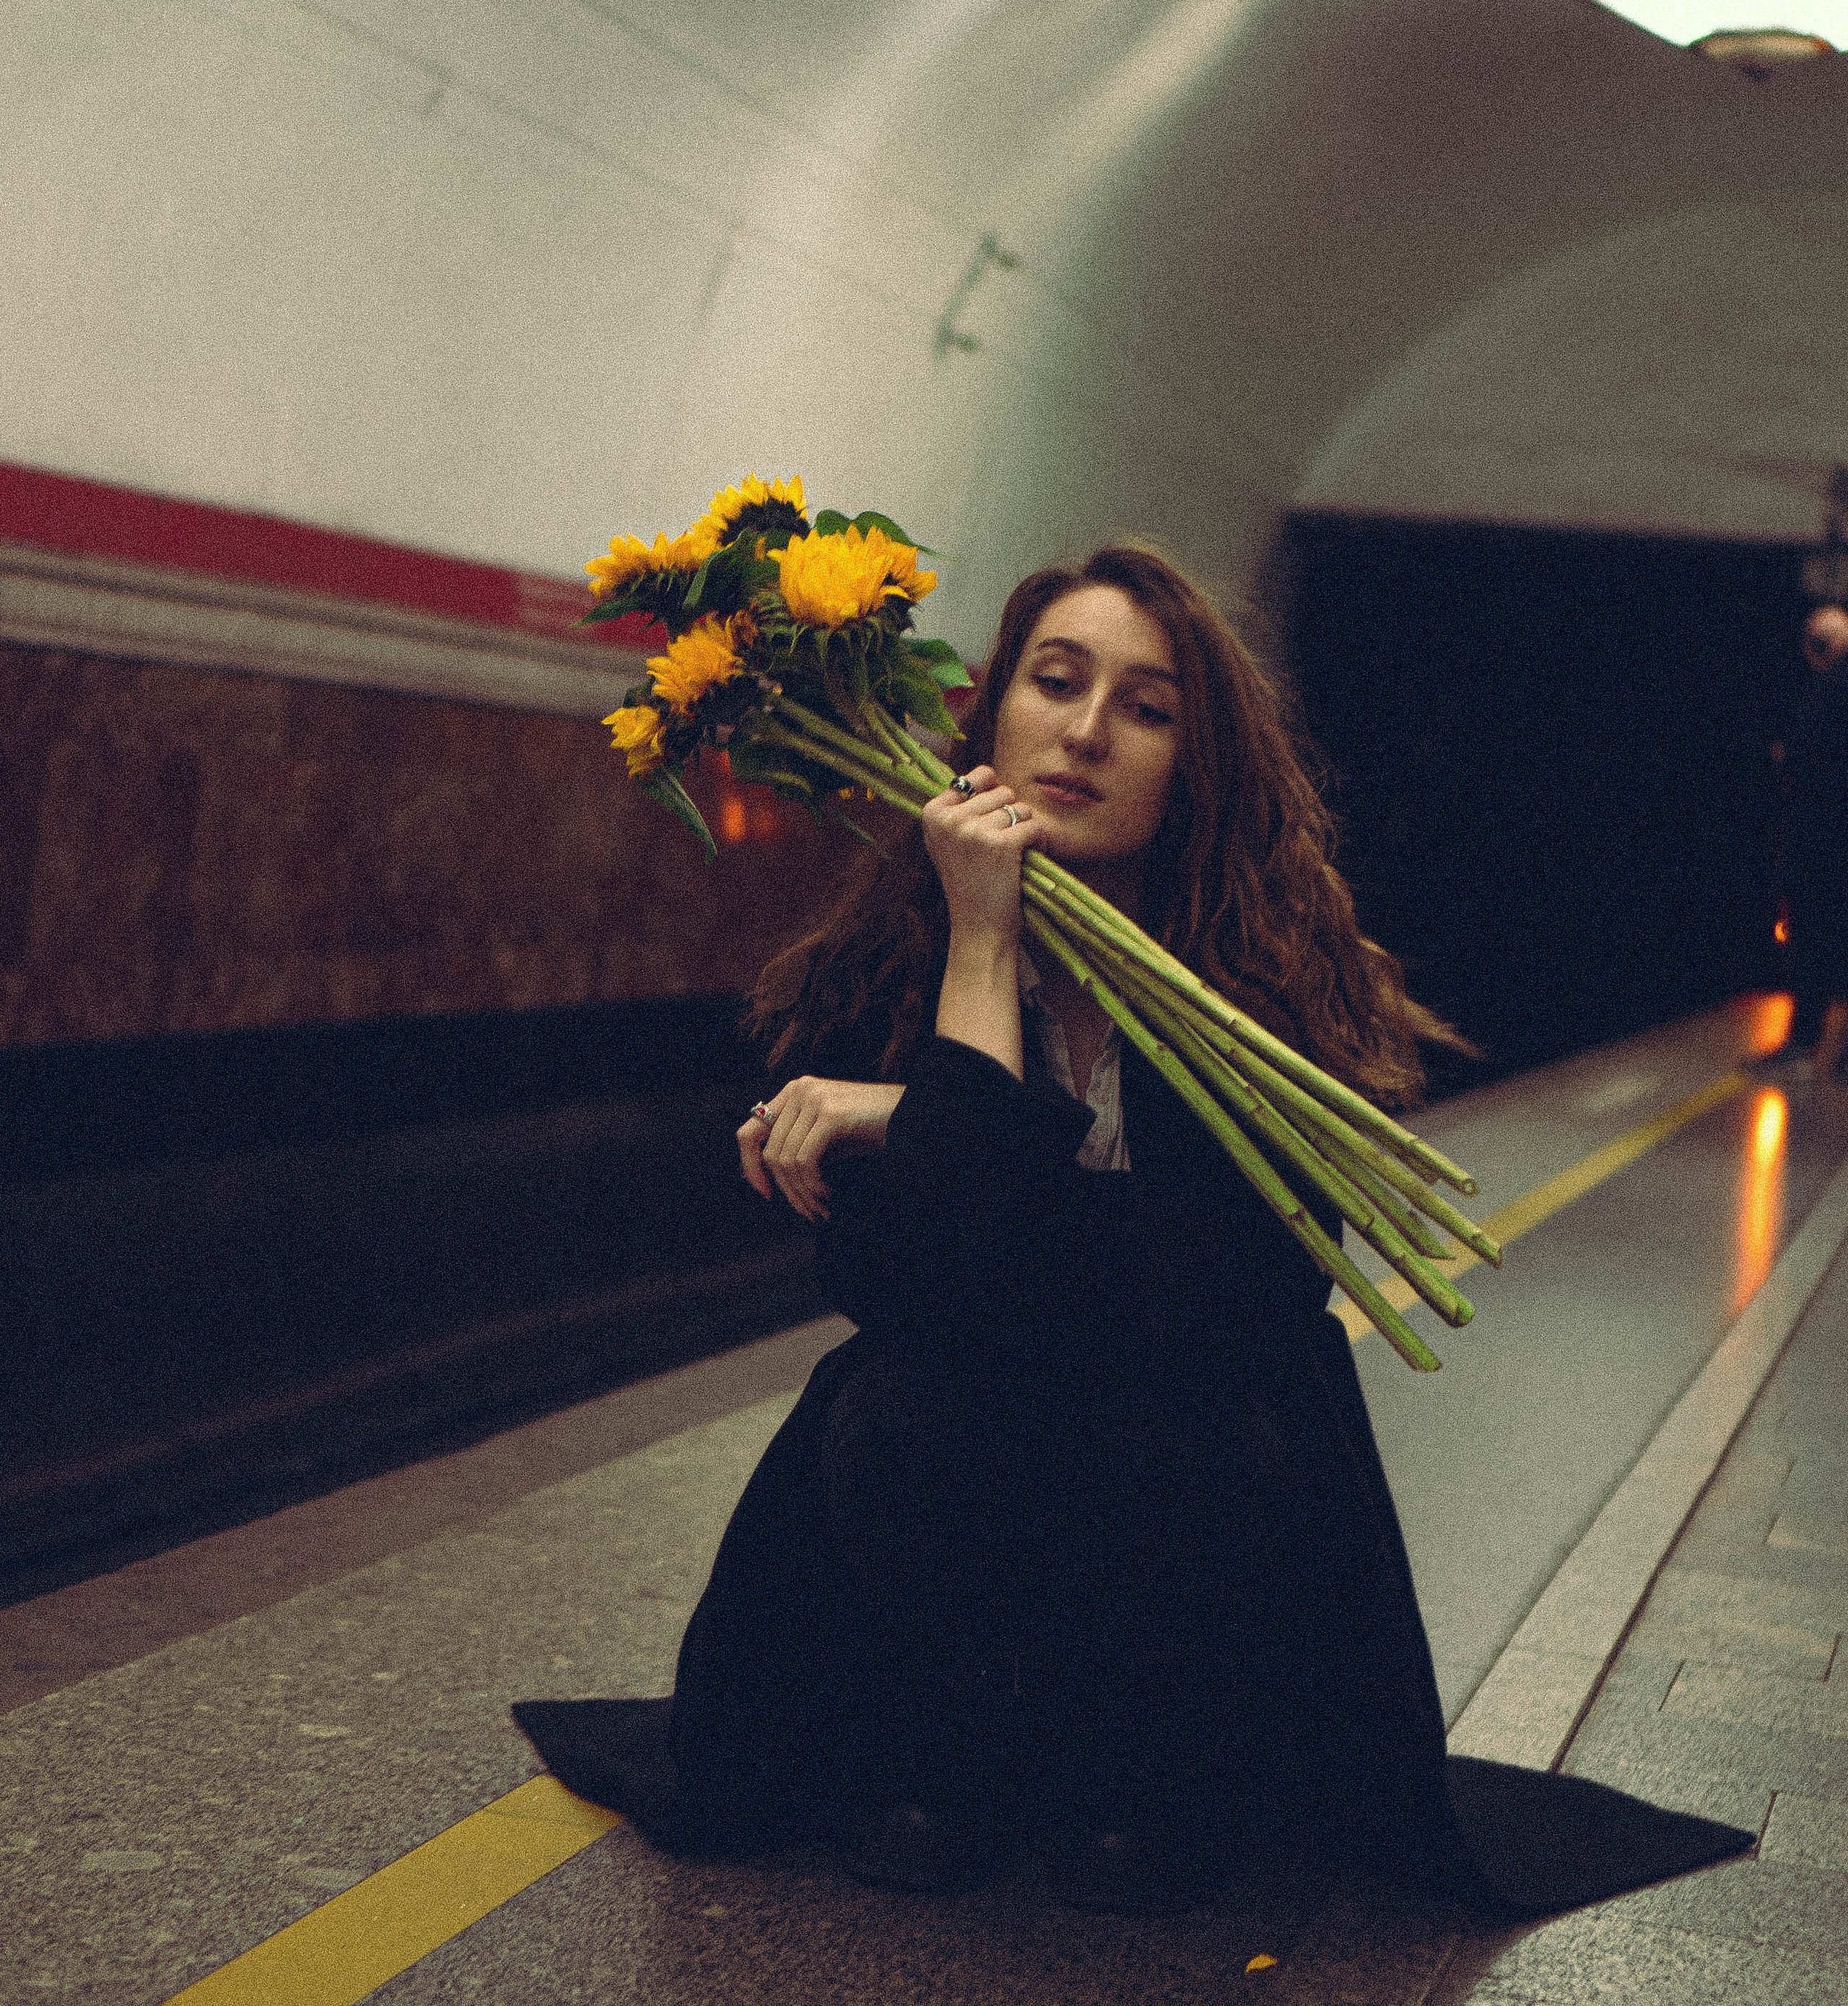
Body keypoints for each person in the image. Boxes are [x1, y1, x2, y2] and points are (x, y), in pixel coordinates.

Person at [515, 544, 1751, 1916]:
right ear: (989, 722)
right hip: (974, 1425)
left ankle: (1147, 1779)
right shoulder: (901, 963)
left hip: (1189, 1442)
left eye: (1148, 709)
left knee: (1205, 1424)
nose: (1088, 732)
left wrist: (898, 1115)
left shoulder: (1262, 992)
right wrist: (983, 955)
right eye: (1056, 682)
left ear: (1193, 768)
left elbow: (1221, 1297)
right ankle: (950, 1762)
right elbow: (919, 1287)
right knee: (906, 1406)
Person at [1775, 602, 1848, 1081]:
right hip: (1833, 838)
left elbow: (1809, 759)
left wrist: (1787, 756)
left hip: (1824, 840)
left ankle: (1807, 1047)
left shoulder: (1831, 687)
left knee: (1814, 940)